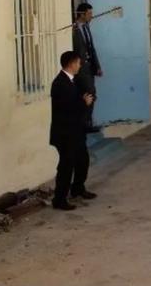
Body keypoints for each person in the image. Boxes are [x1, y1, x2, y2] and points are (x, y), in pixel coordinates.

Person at [50, 51, 97, 210]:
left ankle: (78, 188)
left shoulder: (72, 81)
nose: (80, 65)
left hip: (76, 131)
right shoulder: (59, 83)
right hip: (65, 133)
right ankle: (59, 199)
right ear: (71, 63)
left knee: (82, 160)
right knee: (66, 166)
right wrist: (84, 103)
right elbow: (66, 108)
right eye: (78, 62)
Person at [72, 3, 102, 133]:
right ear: (81, 14)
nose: (91, 16)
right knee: (90, 93)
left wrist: (97, 66)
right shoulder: (74, 29)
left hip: (90, 67)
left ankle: (85, 122)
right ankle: (84, 124)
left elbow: (91, 48)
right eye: (89, 13)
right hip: (80, 68)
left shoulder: (86, 27)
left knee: (90, 94)